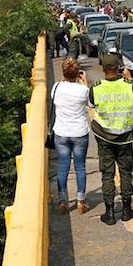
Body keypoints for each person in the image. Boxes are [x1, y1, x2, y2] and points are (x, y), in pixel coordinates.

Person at [90, 57, 133, 225]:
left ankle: (110, 212)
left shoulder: (97, 87)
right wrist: (129, 78)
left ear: (103, 69)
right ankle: (127, 210)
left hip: (104, 136)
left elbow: (92, 103)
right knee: (125, 172)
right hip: (124, 136)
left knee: (107, 174)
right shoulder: (128, 85)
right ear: (119, 68)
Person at [52, 59, 90, 215]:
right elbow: (91, 105)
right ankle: (81, 201)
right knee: (80, 167)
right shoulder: (83, 90)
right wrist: (85, 83)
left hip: (61, 133)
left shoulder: (56, 87)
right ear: (78, 74)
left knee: (63, 167)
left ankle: (62, 201)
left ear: (63, 73)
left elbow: (55, 99)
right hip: (79, 133)